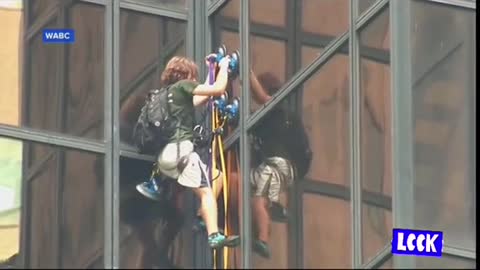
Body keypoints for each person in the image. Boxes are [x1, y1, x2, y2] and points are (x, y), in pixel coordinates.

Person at [136, 55, 240, 249]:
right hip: (181, 152)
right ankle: (214, 235)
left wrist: (211, 68)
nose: (195, 81)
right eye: (194, 77)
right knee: (207, 193)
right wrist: (224, 67)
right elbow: (217, 89)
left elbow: (205, 95)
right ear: (187, 75)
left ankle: (202, 215)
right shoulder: (184, 86)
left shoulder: (164, 96)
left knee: (215, 175)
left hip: (165, 158)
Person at [246, 70, 312, 258]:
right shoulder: (277, 119)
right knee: (257, 191)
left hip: (276, 164)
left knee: (258, 199)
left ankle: (263, 238)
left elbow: (262, 96)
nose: (253, 99)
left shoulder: (274, 109)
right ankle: (274, 207)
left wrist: (247, 72)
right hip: (285, 168)